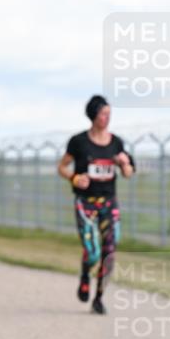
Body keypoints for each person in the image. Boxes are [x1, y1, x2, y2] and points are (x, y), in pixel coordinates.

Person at [56, 95, 134, 315]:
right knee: (92, 253)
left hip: (110, 204)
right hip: (85, 204)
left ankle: (98, 298)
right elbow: (62, 167)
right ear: (93, 115)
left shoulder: (117, 143)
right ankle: (84, 275)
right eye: (103, 113)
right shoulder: (79, 142)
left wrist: (124, 164)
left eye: (109, 113)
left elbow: (128, 173)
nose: (107, 117)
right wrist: (73, 178)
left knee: (109, 253)